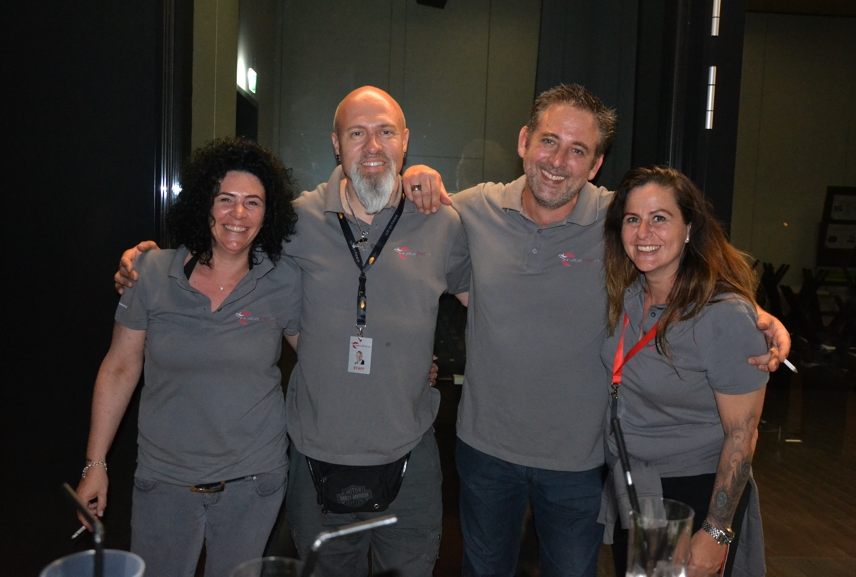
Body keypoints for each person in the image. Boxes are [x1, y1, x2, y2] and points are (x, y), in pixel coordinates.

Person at [400, 84, 789, 577]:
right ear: (524, 140)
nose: (558, 161)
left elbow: (683, 260)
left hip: (581, 462)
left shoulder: (619, 221)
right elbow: (409, 242)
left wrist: (754, 313)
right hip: (485, 451)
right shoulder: (475, 208)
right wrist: (413, 177)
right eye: (549, 141)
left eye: (578, 150)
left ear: (596, 164)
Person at [115, 87, 469, 576]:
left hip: (412, 453)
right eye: (357, 133)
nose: (373, 146)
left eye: (386, 132)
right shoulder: (296, 221)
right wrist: (147, 262)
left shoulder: (440, 221)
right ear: (336, 145)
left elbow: (486, 304)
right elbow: (226, 248)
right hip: (314, 457)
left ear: (405, 141)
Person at [76, 138, 301, 577]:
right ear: (204, 204)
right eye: (225, 199)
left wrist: (406, 364)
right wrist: (95, 465)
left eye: (253, 202)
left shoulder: (284, 281)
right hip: (164, 481)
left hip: (254, 482)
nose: (238, 214)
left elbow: (321, 353)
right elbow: (119, 368)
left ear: (268, 214)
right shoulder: (150, 272)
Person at [599, 166, 767, 577]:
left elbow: (742, 434)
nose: (644, 233)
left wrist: (716, 530)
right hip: (635, 486)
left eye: (660, 218)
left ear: (689, 228)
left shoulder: (723, 316)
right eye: (633, 219)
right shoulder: (627, 293)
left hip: (694, 493)